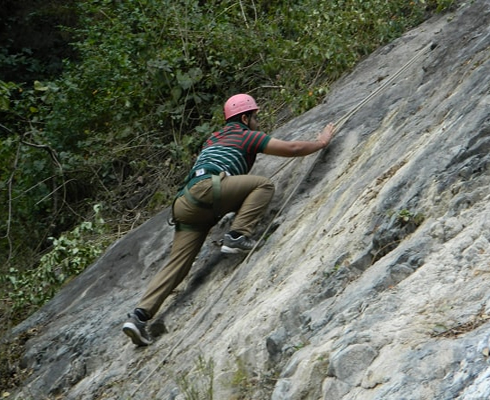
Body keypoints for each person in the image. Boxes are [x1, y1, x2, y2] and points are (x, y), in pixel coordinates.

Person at [122, 93, 334, 346]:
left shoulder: (214, 138)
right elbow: (293, 149)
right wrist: (321, 142)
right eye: (255, 117)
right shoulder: (244, 134)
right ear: (244, 118)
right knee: (264, 185)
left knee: (177, 265)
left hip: (185, 203)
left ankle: (139, 317)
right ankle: (237, 236)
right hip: (208, 191)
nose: (258, 122)